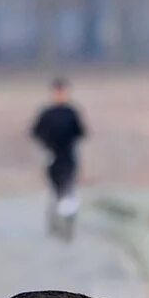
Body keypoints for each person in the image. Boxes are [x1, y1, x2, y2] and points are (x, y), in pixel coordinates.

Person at [30, 78, 86, 241]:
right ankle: (55, 220)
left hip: (68, 156)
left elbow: (81, 132)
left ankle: (67, 222)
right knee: (55, 190)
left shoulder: (71, 113)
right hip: (52, 156)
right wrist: (46, 144)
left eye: (63, 92)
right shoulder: (47, 114)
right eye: (58, 92)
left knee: (68, 188)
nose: (60, 95)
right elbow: (35, 132)